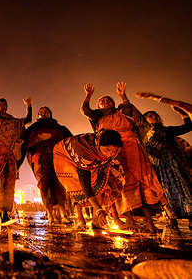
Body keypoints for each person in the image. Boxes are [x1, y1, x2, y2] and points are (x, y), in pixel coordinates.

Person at [81, 82, 165, 233]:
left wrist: (122, 95)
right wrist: (88, 96)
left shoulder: (122, 112)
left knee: (141, 180)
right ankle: (128, 218)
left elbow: (128, 108)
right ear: (99, 106)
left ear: (113, 103)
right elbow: (86, 110)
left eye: (108, 100)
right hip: (113, 151)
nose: (106, 102)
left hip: (132, 148)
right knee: (120, 183)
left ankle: (149, 221)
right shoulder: (98, 118)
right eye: (102, 102)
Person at [53, 129, 125, 229]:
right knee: (77, 185)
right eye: (107, 150)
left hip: (93, 158)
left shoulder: (112, 152)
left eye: (114, 151)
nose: (110, 154)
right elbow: (85, 183)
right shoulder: (84, 152)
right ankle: (80, 218)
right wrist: (99, 210)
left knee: (101, 183)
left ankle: (96, 220)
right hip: (65, 155)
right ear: (98, 145)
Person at [139, 107, 192, 230]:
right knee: (164, 190)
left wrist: (183, 114)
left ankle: (190, 218)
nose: (154, 117)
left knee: (183, 187)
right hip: (157, 165)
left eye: (155, 115)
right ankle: (171, 218)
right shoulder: (142, 134)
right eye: (150, 116)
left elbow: (188, 127)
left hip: (175, 162)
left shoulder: (167, 130)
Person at [0, 97, 32, 222]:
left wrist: (29, 105)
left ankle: (6, 211)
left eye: (5, 104)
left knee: (10, 181)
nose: (3, 106)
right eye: (0, 104)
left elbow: (28, 120)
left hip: (11, 152)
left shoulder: (12, 120)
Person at [25, 106, 73, 225]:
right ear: (38, 115)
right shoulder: (33, 128)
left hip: (57, 159)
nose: (43, 113)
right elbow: (25, 143)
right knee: (44, 186)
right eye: (41, 112)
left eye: (46, 111)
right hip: (40, 160)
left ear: (50, 114)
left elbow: (67, 142)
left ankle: (63, 215)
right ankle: (51, 215)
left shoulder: (58, 128)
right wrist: (37, 139)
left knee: (59, 186)